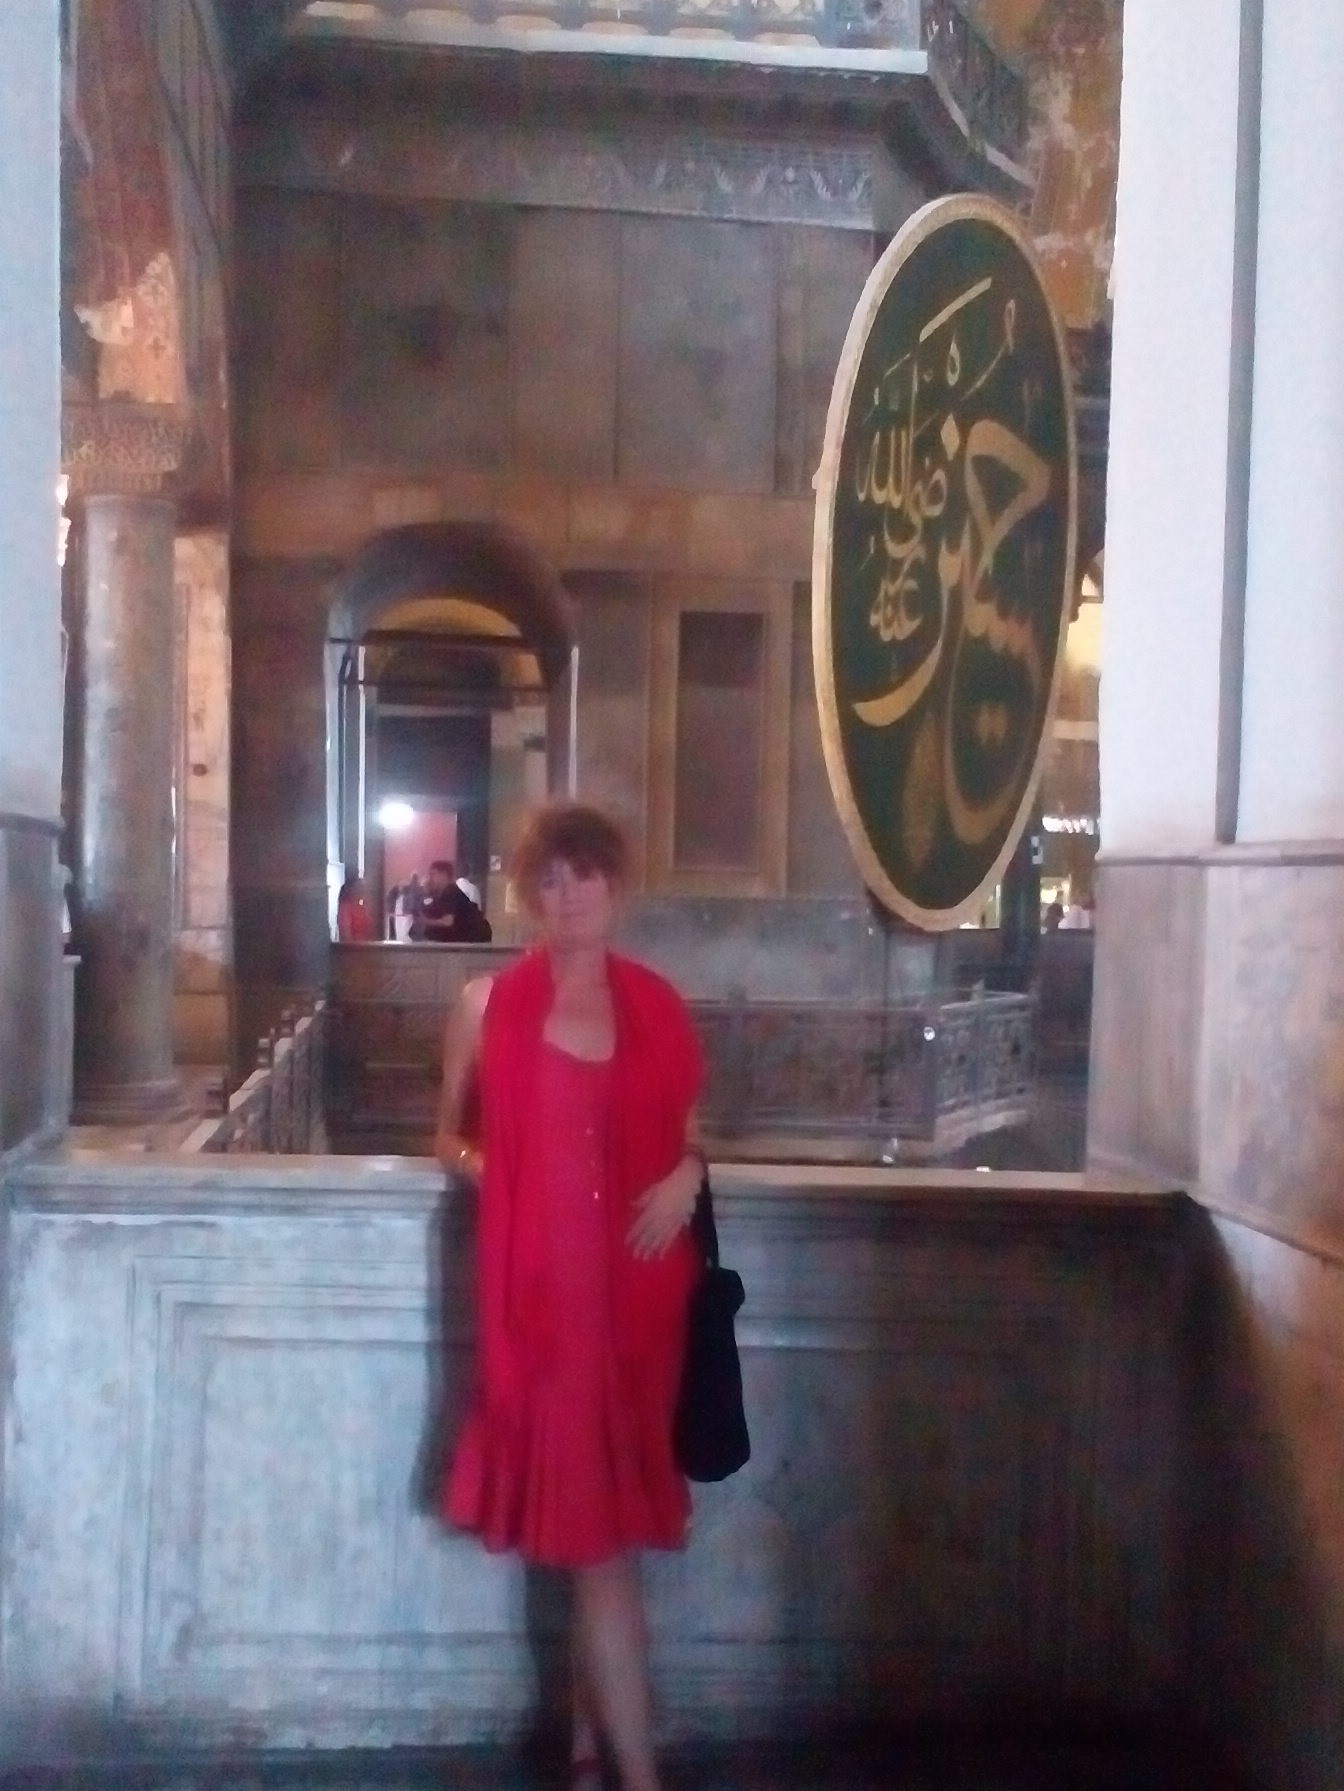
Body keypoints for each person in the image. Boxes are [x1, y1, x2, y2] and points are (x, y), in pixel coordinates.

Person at [434, 803, 705, 1791]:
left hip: (638, 1299)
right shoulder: (486, 1005)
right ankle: (641, 1775)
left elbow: (690, 1132)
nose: (568, 894)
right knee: (598, 1547)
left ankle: (589, 1740)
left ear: (615, 885)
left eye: (584, 874)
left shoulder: (658, 1004)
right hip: (545, 1308)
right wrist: (507, 1176)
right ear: (528, 895)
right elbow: (447, 1136)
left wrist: (689, 1176)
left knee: (605, 1527)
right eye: (549, 879)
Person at [412, 858, 492, 943]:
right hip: (470, 940)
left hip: (471, 940)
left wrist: (424, 921)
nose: (430, 878)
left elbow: (448, 922)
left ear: (444, 875)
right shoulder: (443, 893)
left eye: (433, 874)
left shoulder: (450, 891)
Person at [335, 872, 377, 942]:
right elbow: (346, 934)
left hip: (366, 945)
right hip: (354, 946)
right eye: (360, 888)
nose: (364, 891)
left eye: (365, 888)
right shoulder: (346, 908)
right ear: (352, 890)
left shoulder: (362, 906)